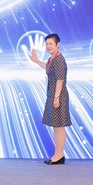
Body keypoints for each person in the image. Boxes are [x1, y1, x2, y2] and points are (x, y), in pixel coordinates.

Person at [29, 33, 71, 165]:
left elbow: (60, 79)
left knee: (59, 126)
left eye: (51, 43)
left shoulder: (59, 59)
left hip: (58, 95)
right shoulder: (52, 59)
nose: (48, 46)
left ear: (58, 44)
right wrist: (36, 61)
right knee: (56, 126)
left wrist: (57, 97)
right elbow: (47, 67)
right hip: (53, 94)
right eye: (47, 44)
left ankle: (59, 155)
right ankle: (57, 154)